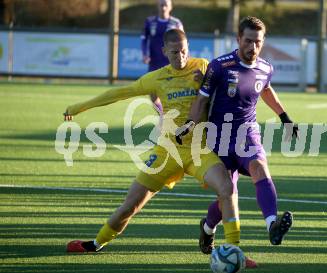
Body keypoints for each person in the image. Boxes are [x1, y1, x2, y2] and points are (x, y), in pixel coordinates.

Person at [64, 30, 249, 264]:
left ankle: (233, 250)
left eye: (183, 50)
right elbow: (119, 93)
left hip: (199, 151)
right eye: (174, 52)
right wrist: (78, 107)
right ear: (164, 52)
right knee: (130, 206)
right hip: (166, 152)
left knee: (227, 189)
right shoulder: (156, 78)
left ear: (188, 47)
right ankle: (96, 243)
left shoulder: (202, 67)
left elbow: (231, 79)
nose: (180, 56)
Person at [176, 16, 298, 254]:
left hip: (247, 133)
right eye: (248, 41)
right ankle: (208, 228)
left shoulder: (265, 68)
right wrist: (190, 124)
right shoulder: (220, 66)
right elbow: (201, 99)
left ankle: (272, 225)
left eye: (258, 42)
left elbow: (266, 89)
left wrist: (285, 117)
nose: (253, 47)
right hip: (218, 137)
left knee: (260, 168)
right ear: (238, 39)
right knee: (228, 195)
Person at [141, 0, 184, 113]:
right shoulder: (150, 22)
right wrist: (145, 54)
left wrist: (184, 58)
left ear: (170, 7)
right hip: (154, 64)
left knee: (171, 95)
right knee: (153, 96)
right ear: (158, 6)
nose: (163, 7)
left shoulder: (176, 23)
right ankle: (163, 116)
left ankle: (171, 119)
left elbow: (183, 42)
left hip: (171, 65)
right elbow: (144, 39)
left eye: (166, 5)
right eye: (161, 5)